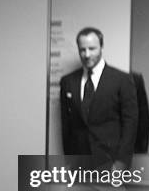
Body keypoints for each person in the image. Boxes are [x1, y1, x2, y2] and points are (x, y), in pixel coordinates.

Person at [59, 27, 138, 170]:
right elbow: (66, 125)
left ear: (101, 47)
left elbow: (130, 124)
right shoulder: (68, 82)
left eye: (92, 48)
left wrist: (122, 162)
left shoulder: (122, 80)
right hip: (79, 164)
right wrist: (69, 160)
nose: (87, 54)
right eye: (82, 50)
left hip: (111, 162)